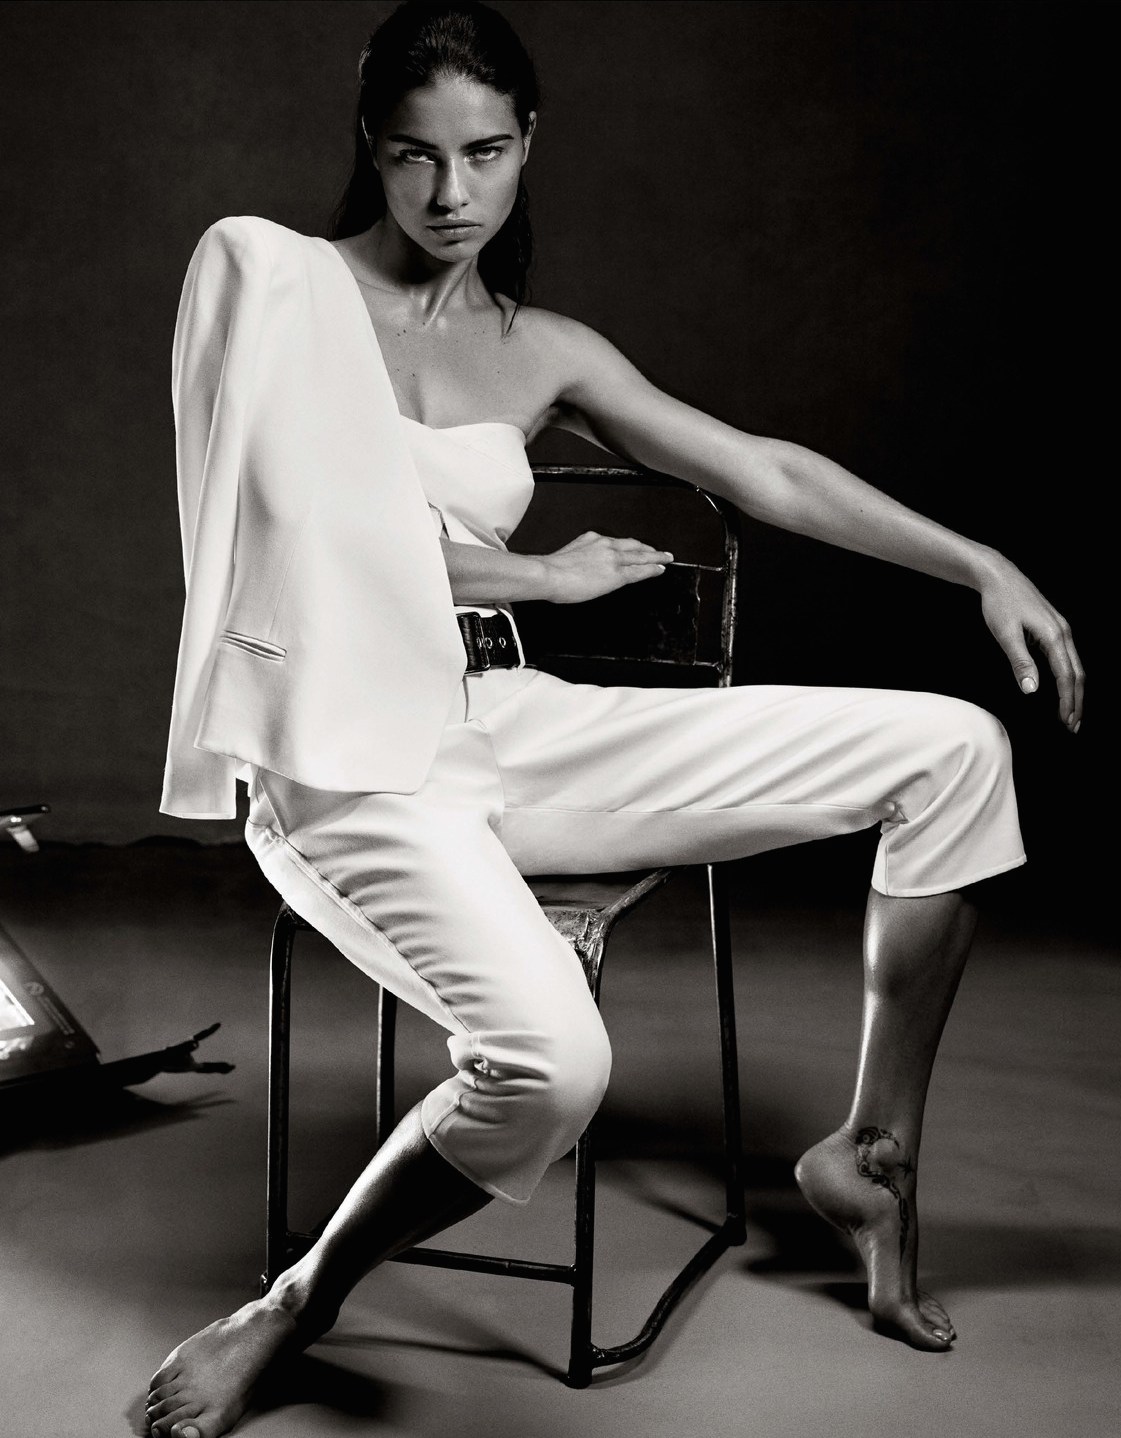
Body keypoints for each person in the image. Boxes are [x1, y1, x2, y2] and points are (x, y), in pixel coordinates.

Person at [146, 4, 1083, 1436]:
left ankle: (870, 1155)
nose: (450, 193)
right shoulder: (276, 288)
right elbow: (295, 544)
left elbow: (765, 471)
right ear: (369, 149)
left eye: (484, 152)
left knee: (955, 749)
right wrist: (537, 573)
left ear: (530, 144)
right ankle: (298, 1299)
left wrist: (978, 563)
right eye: (414, 155)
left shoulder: (544, 349)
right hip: (346, 757)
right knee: (555, 1066)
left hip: (501, 715)